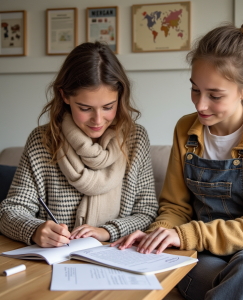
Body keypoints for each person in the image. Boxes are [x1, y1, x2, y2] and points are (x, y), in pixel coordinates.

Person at [111, 8, 243, 300]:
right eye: (195, 89)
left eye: (215, 95)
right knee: (210, 276)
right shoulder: (185, 129)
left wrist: (185, 235)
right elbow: (175, 206)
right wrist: (158, 234)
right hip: (207, 253)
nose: (201, 105)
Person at [0, 42, 158, 248]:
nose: (98, 120)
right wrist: (36, 230)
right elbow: (10, 210)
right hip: (57, 260)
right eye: (85, 108)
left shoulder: (135, 138)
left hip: (116, 257)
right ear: (65, 95)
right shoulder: (42, 140)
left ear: (120, 96)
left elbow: (147, 211)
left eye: (108, 107)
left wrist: (105, 231)